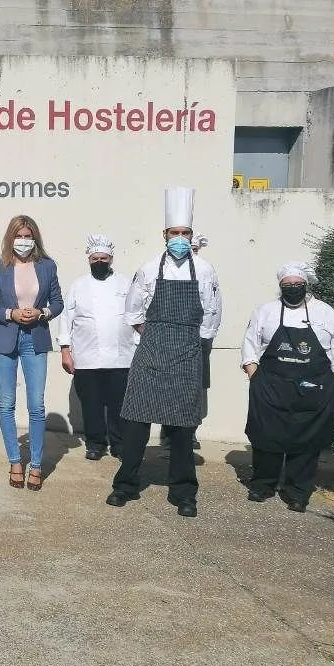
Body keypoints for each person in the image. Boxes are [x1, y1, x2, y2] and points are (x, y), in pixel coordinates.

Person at [106, 187, 221, 518]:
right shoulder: (148, 267)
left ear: (192, 235)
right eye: (175, 233)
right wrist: (152, 334)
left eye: (185, 233)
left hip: (187, 353)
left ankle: (184, 492)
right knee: (136, 422)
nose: (180, 238)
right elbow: (132, 310)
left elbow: (212, 313)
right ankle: (125, 485)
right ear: (164, 235)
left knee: (184, 428)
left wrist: (191, 342)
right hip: (151, 352)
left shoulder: (205, 270)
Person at [241, 262, 334, 513]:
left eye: (297, 284)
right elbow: (250, 344)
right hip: (271, 387)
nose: (292, 289)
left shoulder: (326, 313)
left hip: (314, 388)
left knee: (307, 441)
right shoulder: (265, 311)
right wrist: (253, 374)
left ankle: (297, 491)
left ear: (306, 285)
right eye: (287, 285)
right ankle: (263, 485)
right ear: (280, 287)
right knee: (266, 437)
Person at [0, 216, 64, 492]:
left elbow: (57, 302)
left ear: (35, 238)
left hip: (35, 339)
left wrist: (42, 313)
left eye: (28, 235)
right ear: (10, 238)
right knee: (6, 403)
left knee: (36, 405)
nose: (24, 241)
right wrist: (10, 313)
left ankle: (37, 464)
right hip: (5, 339)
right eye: (19, 236)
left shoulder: (47, 266)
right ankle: (15, 461)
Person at [58, 234, 135, 460]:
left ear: (111, 259)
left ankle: (119, 444)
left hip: (121, 357)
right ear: (88, 260)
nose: (99, 262)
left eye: (103, 258)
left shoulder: (125, 283)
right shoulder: (78, 285)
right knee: (91, 405)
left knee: (118, 405)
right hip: (86, 357)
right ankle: (95, 443)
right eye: (95, 259)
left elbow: (137, 315)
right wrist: (65, 350)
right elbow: (66, 319)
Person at [161, 231, 217, 450]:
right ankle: (168, 435)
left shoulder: (206, 271)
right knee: (169, 387)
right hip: (169, 339)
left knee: (195, 388)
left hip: (198, 339)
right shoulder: (164, 269)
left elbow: (214, 306)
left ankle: (190, 432)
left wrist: (206, 335)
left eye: (194, 250)